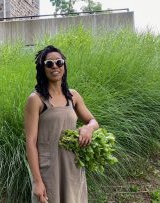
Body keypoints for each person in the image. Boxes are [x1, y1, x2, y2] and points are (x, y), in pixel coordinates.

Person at [24, 45, 99, 203]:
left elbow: (93, 121)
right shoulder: (36, 100)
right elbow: (30, 143)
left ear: (64, 65)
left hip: (72, 166)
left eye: (59, 62)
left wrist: (88, 128)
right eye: (49, 64)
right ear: (42, 69)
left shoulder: (73, 96)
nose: (55, 67)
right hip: (48, 168)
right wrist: (37, 181)